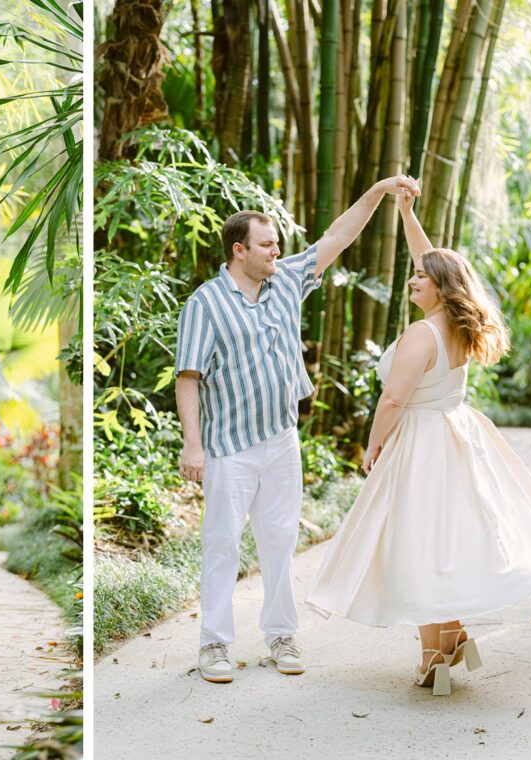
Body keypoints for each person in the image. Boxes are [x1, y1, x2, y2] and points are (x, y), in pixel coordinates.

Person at [306, 181, 531, 696]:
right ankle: (451, 641)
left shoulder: (422, 334)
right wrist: (405, 212)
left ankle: (434, 656)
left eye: (420, 277)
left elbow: (394, 400)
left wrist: (373, 446)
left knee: (418, 544)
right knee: (444, 542)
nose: (412, 280)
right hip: (456, 434)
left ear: (440, 287)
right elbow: (433, 260)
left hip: (420, 440)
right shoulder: (458, 326)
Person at [175, 175, 420, 683]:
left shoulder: (285, 279)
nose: (276, 251)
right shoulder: (205, 303)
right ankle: (215, 645)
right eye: (267, 245)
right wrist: (192, 446)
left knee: (280, 542)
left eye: (277, 244)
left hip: (282, 439)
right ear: (239, 250)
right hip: (228, 448)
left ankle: (282, 637)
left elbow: (336, 237)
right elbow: (189, 377)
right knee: (222, 544)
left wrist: (377, 192)